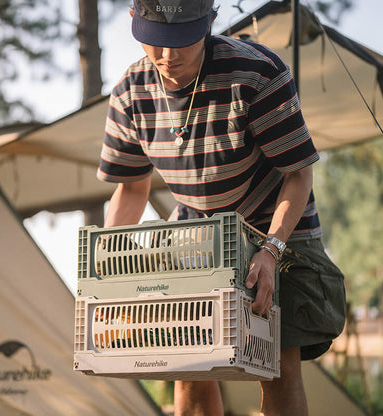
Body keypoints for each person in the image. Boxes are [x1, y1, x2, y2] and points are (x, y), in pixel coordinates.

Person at [96, 0, 346, 414]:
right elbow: (132, 190)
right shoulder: (129, 93)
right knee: (189, 365)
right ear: (133, 22)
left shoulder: (256, 74)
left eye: (182, 41)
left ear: (209, 23)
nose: (168, 55)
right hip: (197, 231)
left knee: (276, 367)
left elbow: (299, 175)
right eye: (156, 42)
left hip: (276, 225)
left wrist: (271, 251)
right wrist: (105, 265)